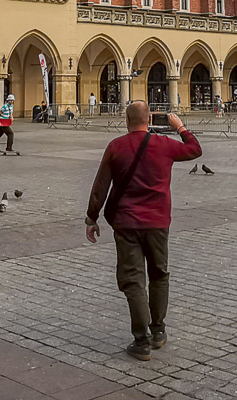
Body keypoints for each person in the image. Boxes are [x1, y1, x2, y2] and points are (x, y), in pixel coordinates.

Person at [84, 102, 203, 361]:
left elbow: (100, 186)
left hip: (126, 223)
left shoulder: (116, 146)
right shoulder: (164, 144)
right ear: (149, 119)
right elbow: (195, 149)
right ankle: (158, 331)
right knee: (159, 274)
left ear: (126, 120)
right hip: (158, 222)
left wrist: (92, 217)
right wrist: (180, 127)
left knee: (133, 280)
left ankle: (141, 341)